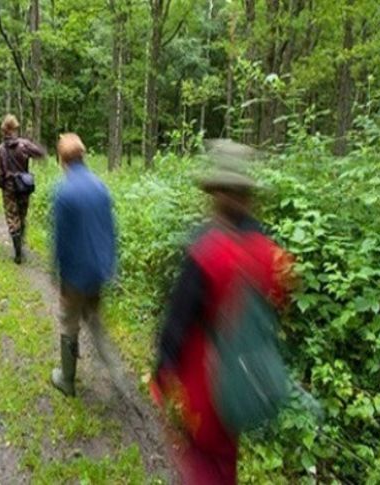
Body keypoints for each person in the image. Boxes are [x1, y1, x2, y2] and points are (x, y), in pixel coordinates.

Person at [150, 143, 295, 484]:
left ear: (215, 193)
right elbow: (278, 305)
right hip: (245, 378)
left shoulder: (204, 250)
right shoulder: (271, 251)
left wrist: (161, 374)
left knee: (201, 459)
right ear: (248, 195)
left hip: (203, 382)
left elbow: (178, 322)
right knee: (226, 456)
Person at [50, 133, 126, 398]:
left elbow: (60, 239)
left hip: (75, 274)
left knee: (69, 322)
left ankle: (66, 379)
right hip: (99, 269)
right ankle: (115, 370)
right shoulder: (100, 186)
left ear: (62, 159)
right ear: (83, 155)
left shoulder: (63, 192)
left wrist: (56, 272)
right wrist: (111, 267)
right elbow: (110, 231)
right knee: (94, 319)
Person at [0, 114, 46, 264]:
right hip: (24, 186)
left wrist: (3, 185)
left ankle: (17, 251)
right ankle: (20, 246)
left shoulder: (0, 150)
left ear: (4, 130)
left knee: (12, 217)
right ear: (15, 128)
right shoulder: (24, 145)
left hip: (9, 188)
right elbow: (40, 153)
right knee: (22, 216)